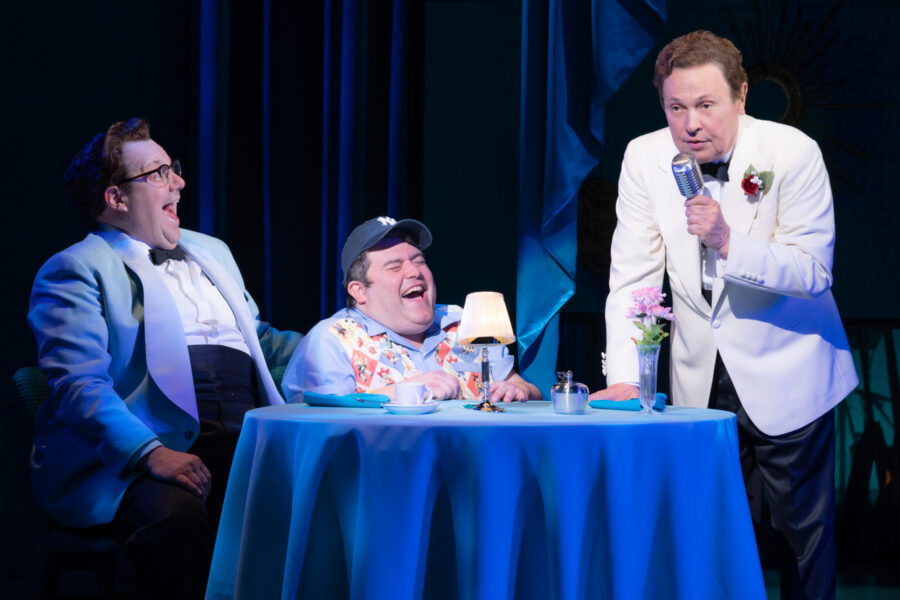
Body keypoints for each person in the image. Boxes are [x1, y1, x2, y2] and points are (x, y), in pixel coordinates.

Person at [592, 31, 858, 599]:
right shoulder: (645, 157)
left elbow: (813, 271)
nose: (690, 124)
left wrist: (729, 241)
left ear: (741, 96)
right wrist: (627, 376)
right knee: (706, 534)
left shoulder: (792, 152)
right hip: (699, 376)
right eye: (675, 107)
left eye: (706, 105)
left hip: (789, 368)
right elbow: (634, 277)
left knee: (801, 543)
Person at [28, 117, 301, 599]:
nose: (179, 182)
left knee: (324, 492)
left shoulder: (212, 250)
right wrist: (150, 452)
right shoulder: (75, 268)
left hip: (247, 441)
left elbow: (260, 339)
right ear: (116, 198)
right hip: (137, 457)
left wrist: (346, 337)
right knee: (177, 515)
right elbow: (79, 385)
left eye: (172, 167)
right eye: (159, 173)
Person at [282, 216, 541, 403]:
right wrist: (404, 391)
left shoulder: (460, 321)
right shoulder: (332, 340)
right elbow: (317, 422)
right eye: (394, 267)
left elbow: (525, 388)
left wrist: (520, 391)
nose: (414, 272)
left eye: (419, 261)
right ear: (359, 291)